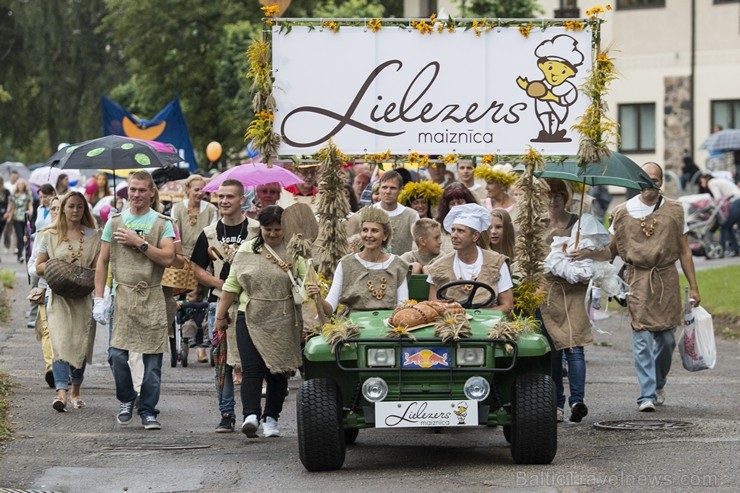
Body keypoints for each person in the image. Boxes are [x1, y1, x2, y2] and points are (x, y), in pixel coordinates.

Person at [571, 162, 701, 412]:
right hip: (637, 280)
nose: (649, 183)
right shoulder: (621, 211)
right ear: (636, 181)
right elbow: (609, 250)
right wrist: (589, 258)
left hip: (666, 279)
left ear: (660, 183)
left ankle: (659, 381)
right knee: (641, 337)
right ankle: (646, 394)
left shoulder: (675, 210)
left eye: (654, 179)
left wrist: (694, 288)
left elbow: (685, 251)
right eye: (645, 179)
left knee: (665, 340)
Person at [213, 205, 306, 439]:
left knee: (278, 371)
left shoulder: (295, 251)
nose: (273, 234)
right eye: (268, 229)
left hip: (284, 317)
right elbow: (231, 286)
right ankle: (251, 416)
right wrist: (220, 316)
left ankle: (272, 419)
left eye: (278, 229)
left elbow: (306, 280)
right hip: (250, 314)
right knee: (252, 369)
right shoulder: (245, 250)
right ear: (260, 228)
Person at [93, 170, 176, 430]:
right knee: (116, 355)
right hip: (124, 295)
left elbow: (168, 258)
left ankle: (148, 410)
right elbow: (103, 261)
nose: (137, 194)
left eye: (142, 190)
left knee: (152, 360)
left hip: (151, 294)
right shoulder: (115, 221)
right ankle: (127, 398)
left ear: (152, 192)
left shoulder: (163, 222)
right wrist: (99, 297)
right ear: (127, 191)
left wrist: (139, 242)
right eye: (133, 189)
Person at [191, 179, 252, 433]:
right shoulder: (209, 233)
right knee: (222, 360)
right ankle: (226, 413)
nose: (224, 201)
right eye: (221, 197)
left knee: (251, 360)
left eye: (230, 197)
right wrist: (221, 283)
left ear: (241, 200)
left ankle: (254, 413)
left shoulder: (255, 230)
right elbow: (195, 267)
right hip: (220, 303)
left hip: (251, 303)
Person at [35, 192, 101, 412]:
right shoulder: (49, 235)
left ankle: (76, 391)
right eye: (71, 206)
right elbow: (39, 266)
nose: (75, 211)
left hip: (83, 297)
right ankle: (61, 393)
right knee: (60, 342)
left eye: (79, 207)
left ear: (85, 210)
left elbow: (98, 268)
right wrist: (57, 267)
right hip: (59, 297)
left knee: (79, 344)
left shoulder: (94, 236)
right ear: (62, 208)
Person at [538, 180, 596, 424]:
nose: (553, 200)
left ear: (567, 197)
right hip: (547, 292)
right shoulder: (538, 224)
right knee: (551, 350)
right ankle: (555, 403)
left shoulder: (580, 223)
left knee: (575, 345)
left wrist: (586, 253)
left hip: (573, 291)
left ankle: (577, 401)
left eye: (558, 195)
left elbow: (604, 251)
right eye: (549, 196)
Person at [311, 206, 409, 315]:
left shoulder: (397, 265)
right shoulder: (346, 264)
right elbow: (330, 308)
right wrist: (318, 297)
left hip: (388, 325)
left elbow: (402, 307)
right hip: (354, 327)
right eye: (365, 230)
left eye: (375, 231)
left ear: (385, 235)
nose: (368, 235)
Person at [427, 203, 513, 314]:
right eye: (453, 230)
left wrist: (478, 314)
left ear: (475, 236)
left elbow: (507, 305)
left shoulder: (497, 262)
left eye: (461, 231)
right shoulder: (437, 267)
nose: (454, 235)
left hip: (489, 325)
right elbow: (433, 306)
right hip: (450, 325)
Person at [27, 196, 61, 388]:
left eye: (59, 208)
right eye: (53, 209)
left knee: (63, 332)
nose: (56, 212)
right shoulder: (42, 234)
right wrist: (43, 269)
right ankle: (52, 369)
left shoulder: (75, 234)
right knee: (47, 330)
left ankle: (65, 367)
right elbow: (32, 265)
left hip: (68, 291)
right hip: (45, 286)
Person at [346, 170, 419, 255]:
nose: (388, 192)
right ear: (379, 189)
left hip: (402, 266)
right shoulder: (366, 213)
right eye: (384, 187)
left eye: (392, 188)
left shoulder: (411, 216)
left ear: (400, 190)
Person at [171, 175, 218, 257]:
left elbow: (212, 236)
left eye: (202, 190)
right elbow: (175, 235)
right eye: (196, 190)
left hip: (203, 256)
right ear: (187, 189)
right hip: (181, 256)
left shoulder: (211, 210)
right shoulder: (177, 208)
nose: (200, 193)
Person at [698, 173, 740, 257]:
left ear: (705, 178)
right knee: (729, 226)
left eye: (701, 181)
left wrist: (711, 208)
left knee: (724, 225)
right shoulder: (716, 181)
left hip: (736, 201)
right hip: (736, 200)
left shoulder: (711, 183)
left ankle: (721, 250)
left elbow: (718, 198)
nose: (702, 185)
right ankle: (736, 249)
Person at [435, 182, 480, 255]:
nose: (457, 207)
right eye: (452, 204)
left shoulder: (478, 224)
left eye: (460, 202)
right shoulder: (437, 227)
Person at [9, 178, 33, 262]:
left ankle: (25, 254)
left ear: (24, 185)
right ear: (17, 185)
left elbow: (30, 205)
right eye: (19, 184)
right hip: (16, 218)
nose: (21, 186)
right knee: (19, 237)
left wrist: (31, 212)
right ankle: (20, 255)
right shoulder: (14, 195)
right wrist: (9, 216)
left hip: (25, 217)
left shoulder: (28, 195)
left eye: (22, 184)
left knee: (25, 236)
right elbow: (11, 207)